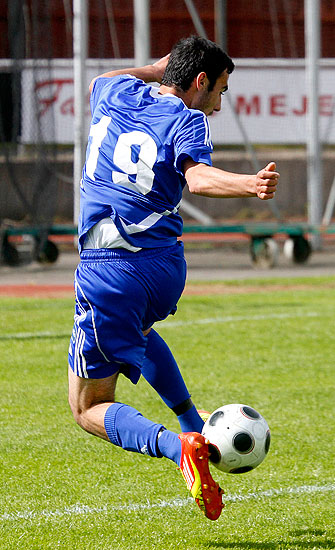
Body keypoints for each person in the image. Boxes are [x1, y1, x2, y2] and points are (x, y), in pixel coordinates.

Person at [67, 36, 279, 521]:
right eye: (220, 91)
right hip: (164, 268)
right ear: (200, 81)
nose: (219, 105)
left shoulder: (118, 94)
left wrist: (159, 68)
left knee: (87, 408)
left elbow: (103, 78)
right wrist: (248, 183)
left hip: (110, 270)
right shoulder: (187, 119)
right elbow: (197, 177)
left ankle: (178, 447)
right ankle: (194, 422)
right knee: (141, 331)